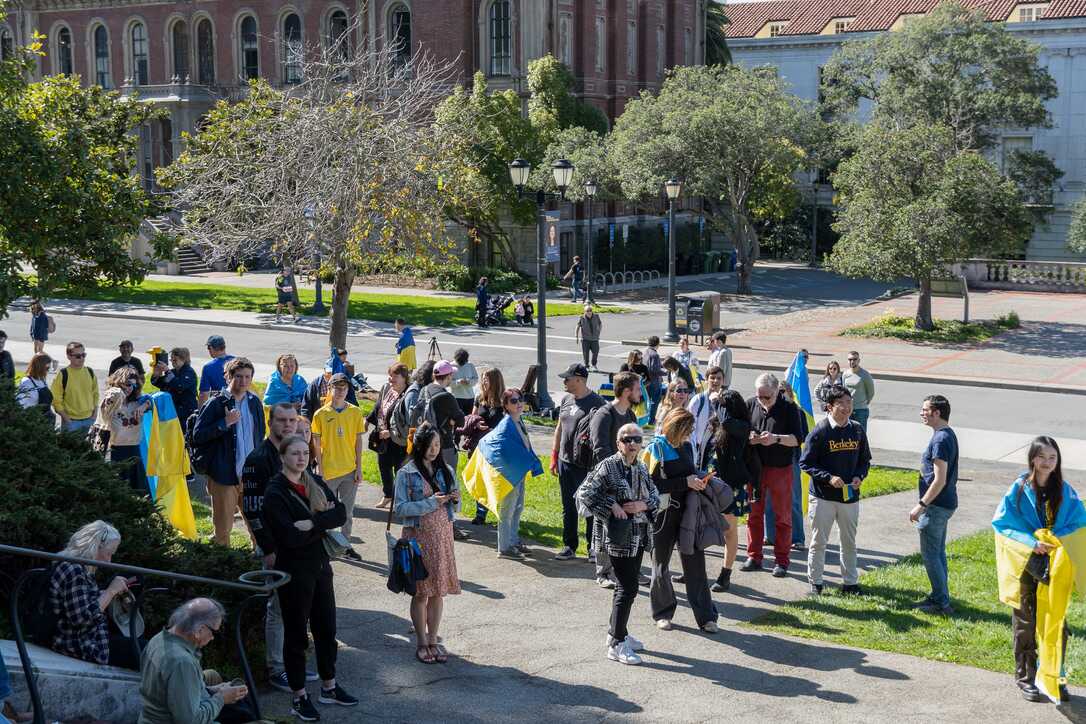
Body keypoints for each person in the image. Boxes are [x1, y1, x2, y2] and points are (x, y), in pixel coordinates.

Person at [261, 435, 357, 719]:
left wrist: (313, 522)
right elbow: (289, 537)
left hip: (320, 567)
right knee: (296, 636)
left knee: (327, 630)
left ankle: (329, 687)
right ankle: (299, 695)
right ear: (283, 457)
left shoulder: (313, 481)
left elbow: (340, 514)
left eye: (305, 453)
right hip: (294, 571)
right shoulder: (275, 491)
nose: (301, 458)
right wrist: (320, 525)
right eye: (295, 454)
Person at [992, 437, 1085, 704]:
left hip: (1056, 565)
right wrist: (1032, 543)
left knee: (1057, 622)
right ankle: (1026, 678)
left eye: (1052, 458)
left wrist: (1056, 539)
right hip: (1026, 564)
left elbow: (1078, 522)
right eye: (1042, 457)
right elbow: (1003, 523)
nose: (1047, 462)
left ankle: (1056, 676)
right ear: (1033, 459)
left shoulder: (1065, 491)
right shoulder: (1019, 490)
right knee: (1026, 622)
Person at [240, 402, 317, 690]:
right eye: (282, 420)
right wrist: (268, 549)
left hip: (298, 545)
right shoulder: (259, 459)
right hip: (275, 547)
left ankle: (292, 662)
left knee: (297, 606)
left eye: (292, 420)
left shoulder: (294, 452)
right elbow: (252, 509)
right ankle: (276, 668)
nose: (288, 425)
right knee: (278, 607)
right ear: (271, 421)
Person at [576, 422, 659, 665]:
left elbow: (654, 494)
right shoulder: (608, 466)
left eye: (636, 439)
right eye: (626, 439)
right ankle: (616, 643)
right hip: (617, 537)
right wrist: (611, 506)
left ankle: (618, 632)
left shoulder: (641, 467)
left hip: (638, 536)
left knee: (628, 587)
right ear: (618, 443)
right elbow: (584, 493)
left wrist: (643, 505)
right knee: (627, 588)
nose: (632, 444)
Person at [644, 409, 719, 633]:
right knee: (660, 564)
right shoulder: (655, 449)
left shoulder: (685, 447)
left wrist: (699, 477)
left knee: (696, 564)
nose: (691, 432)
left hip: (688, 512)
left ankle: (706, 617)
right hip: (664, 514)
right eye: (687, 428)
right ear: (676, 427)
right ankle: (663, 613)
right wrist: (685, 482)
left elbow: (687, 473)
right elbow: (650, 486)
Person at [394, 424, 462, 665]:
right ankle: (422, 643)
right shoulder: (407, 473)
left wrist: (454, 498)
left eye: (437, 445)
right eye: (430, 445)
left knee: (438, 592)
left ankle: (434, 640)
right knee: (422, 593)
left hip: (443, 537)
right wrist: (431, 503)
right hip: (418, 538)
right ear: (420, 445)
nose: (434, 450)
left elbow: (458, 506)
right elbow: (400, 508)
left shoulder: (447, 470)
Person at [799, 386, 871, 596]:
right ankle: (816, 582)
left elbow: (865, 460)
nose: (847, 407)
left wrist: (859, 476)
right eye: (842, 403)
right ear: (830, 407)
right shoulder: (820, 432)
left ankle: (850, 583)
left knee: (849, 541)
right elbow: (806, 463)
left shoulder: (857, 429)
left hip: (849, 498)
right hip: (823, 498)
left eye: (849, 403)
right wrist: (828, 478)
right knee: (819, 541)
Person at [136, 598, 252, 724]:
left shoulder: (158, 639)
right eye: (214, 632)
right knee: (245, 715)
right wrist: (221, 698)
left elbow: (172, 689)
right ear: (199, 630)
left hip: (151, 716)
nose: (213, 638)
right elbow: (190, 720)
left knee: (213, 676)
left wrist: (212, 690)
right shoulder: (182, 662)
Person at [191, 357, 265, 547]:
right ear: (228, 377)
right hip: (225, 476)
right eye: (239, 376)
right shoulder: (216, 403)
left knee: (259, 529)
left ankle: (259, 568)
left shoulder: (254, 402)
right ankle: (223, 570)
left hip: (251, 477)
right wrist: (224, 423)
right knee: (223, 532)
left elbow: (260, 434)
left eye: (248, 377)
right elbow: (198, 436)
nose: (243, 381)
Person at [49, 521, 140, 669]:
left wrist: (105, 594)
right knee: (149, 653)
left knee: (148, 650)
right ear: (95, 546)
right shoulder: (74, 570)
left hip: (86, 640)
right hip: (83, 645)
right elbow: (82, 619)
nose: (109, 561)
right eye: (109, 553)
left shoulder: (73, 566)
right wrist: (110, 592)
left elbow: (78, 603)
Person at [743, 373, 802, 578]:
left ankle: (782, 560)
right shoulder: (751, 404)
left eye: (767, 397)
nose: (763, 401)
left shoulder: (789, 408)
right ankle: (754, 555)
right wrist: (750, 437)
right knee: (754, 514)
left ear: (777, 391)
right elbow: (743, 429)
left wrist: (776, 439)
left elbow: (797, 439)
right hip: (756, 469)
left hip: (780, 468)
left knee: (782, 516)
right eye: (760, 396)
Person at [589, 371, 641, 587]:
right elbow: (600, 449)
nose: (640, 394)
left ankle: (627, 571)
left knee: (629, 525)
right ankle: (603, 573)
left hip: (629, 478)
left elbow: (636, 445)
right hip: (607, 480)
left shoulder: (631, 416)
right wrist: (616, 475)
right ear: (627, 391)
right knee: (605, 525)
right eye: (638, 389)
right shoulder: (604, 414)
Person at [549, 363, 605, 560]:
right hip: (565, 462)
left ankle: (593, 547)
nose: (564, 381)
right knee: (568, 505)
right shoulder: (565, 399)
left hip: (587, 465)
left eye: (567, 378)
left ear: (579, 380)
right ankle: (569, 545)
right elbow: (559, 428)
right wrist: (554, 456)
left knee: (589, 505)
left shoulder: (597, 403)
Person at [910, 394, 959, 615]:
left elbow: (939, 479)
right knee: (937, 552)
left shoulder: (940, 439)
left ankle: (940, 602)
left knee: (931, 554)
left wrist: (921, 505)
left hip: (936, 505)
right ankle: (940, 596)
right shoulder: (946, 435)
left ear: (937, 412)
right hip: (945, 503)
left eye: (925, 410)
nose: (922, 413)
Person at [311, 372, 365, 561]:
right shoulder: (320, 414)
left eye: (344, 388)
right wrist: (320, 470)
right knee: (327, 511)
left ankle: (346, 545)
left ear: (348, 389)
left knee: (347, 512)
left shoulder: (355, 412)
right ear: (330, 389)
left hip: (349, 470)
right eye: (337, 387)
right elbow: (316, 444)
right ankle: (326, 545)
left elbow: (358, 441)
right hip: (329, 471)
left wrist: (359, 467)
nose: (341, 391)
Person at [707, 390, 756, 592]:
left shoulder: (741, 426)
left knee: (729, 530)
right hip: (712, 482)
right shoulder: (719, 423)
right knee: (701, 526)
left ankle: (725, 575)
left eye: (723, 406)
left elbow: (727, 423)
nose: (719, 409)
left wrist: (718, 403)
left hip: (732, 485)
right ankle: (692, 571)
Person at [488, 388, 539, 559]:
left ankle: (513, 540)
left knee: (518, 507)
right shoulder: (506, 424)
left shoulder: (519, 421)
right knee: (507, 511)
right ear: (506, 405)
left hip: (519, 473)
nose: (519, 403)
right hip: (510, 475)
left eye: (520, 399)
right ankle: (504, 547)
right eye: (513, 401)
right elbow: (499, 450)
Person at [765, 382, 808, 551]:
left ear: (790, 393)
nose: (781, 395)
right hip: (770, 461)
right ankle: (771, 535)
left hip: (791, 460)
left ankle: (797, 538)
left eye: (784, 391)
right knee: (769, 500)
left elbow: (802, 436)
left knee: (794, 500)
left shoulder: (796, 411)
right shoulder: (769, 410)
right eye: (778, 392)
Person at [98, 367, 153, 495]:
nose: (129, 388)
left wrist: (145, 405)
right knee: (116, 492)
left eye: (133, 385)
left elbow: (154, 400)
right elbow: (105, 406)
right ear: (118, 382)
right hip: (115, 451)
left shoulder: (138, 401)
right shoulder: (112, 400)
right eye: (127, 384)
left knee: (139, 492)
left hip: (134, 450)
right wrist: (116, 394)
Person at [370, 363, 411, 510]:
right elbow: (378, 407)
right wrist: (368, 420)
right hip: (383, 438)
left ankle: (400, 501)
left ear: (404, 378)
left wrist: (391, 433)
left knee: (400, 472)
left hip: (399, 441)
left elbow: (409, 423)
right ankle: (388, 495)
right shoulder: (387, 388)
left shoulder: (409, 394)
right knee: (384, 467)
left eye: (395, 376)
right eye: (390, 375)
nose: (390, 379)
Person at [469, 368, 505, 526]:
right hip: (480, 446)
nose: (483, 382)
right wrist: (476, 422)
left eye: (487, 379)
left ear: (495, 381)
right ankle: (480, 514)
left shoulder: (504, 401)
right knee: (481, 481)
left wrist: (491, 430)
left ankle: (500, 515)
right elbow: (471, 418)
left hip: (496, 448)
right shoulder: (479, 398)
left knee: (496, 481)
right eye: (482, 378)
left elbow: (509, 425)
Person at [50, 341, 99, 433]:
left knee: (83, 447)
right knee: (68, 447)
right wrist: (66, 419)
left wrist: (95, 413)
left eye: (83, 355)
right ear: (68, 356)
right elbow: (56, 400)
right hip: (71, 421)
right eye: (77, 356)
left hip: (89, 419)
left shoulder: (89, 372)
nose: (81, 358)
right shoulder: (63, 374)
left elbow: (95, 394)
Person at [150, 348, 198, 426]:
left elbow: (179, 386)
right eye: (171, 360)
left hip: (186, 412)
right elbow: (160, 383)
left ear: (183, 360)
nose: (172, 362)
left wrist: (167, 371)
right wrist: (156, 374)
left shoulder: (189, 372)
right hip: (173, 410)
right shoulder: (173, 372)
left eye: (175, 360)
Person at [688, 366, 725, 465]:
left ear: (723, 381)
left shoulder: (726, 400)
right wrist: (694, 444)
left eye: (719, 378)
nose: (715, 381)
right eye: (712, 378)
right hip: (699, 446)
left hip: (718, 447)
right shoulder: (698, 400)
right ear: (706, 380)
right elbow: (689, 425)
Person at [15, 353, 55, 423]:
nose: (48, 371)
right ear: (39, 367)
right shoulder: (27, 382)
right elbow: (20, 405)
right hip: (34, 423)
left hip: (46, 422)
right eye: (47, 368)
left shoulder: (42, 379)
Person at [843, 351, 875, 431]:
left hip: (861, 411)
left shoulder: (865, 375)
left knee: (860, 435)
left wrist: (863, 403)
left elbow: (871, 393)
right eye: (850, 359)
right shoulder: (845, 374)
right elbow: (844, 390)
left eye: (854, 359)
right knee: (848, 435)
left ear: (859, 360)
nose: (852, 361)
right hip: (848, 409)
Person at [198, 335, 234, 405]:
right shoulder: (237, 361)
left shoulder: (208, 367)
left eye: (208, 348)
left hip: (219, 405)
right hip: (238, 405)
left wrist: (200, 413)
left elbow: (204, 394)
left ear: (211, 348)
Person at [644, 336, 665, 424]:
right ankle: (651, 420)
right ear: (657, 344)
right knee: (655, 401)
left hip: (647, 381)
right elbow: (654, 370)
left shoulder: (646, 352)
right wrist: (666, 372)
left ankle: (646, 418)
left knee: (647, 401)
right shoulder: (655, 355)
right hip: (654, 382)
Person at [450, 349, 478, 416]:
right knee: (458, 420)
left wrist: (469, 382)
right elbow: (448, 383)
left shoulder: (470, 365)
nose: (462, 364)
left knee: (469, 419)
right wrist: (458, 382)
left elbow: (476, 379)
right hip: (457, 398)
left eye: (464, 362)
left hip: (470, 397)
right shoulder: (451, 366)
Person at [576, 305, 602, 371]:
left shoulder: (596, 316)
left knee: (595, 352)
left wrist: (599, 332)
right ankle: (587, 366)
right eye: (587, 311)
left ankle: (594, 365)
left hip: (595, 339)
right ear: (585, 312)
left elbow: (600, 324)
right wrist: (576, 336)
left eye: (590, 310)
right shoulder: (582, 318)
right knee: (586, 354)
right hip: (585, 339)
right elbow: (578, 327)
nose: (589, 312)